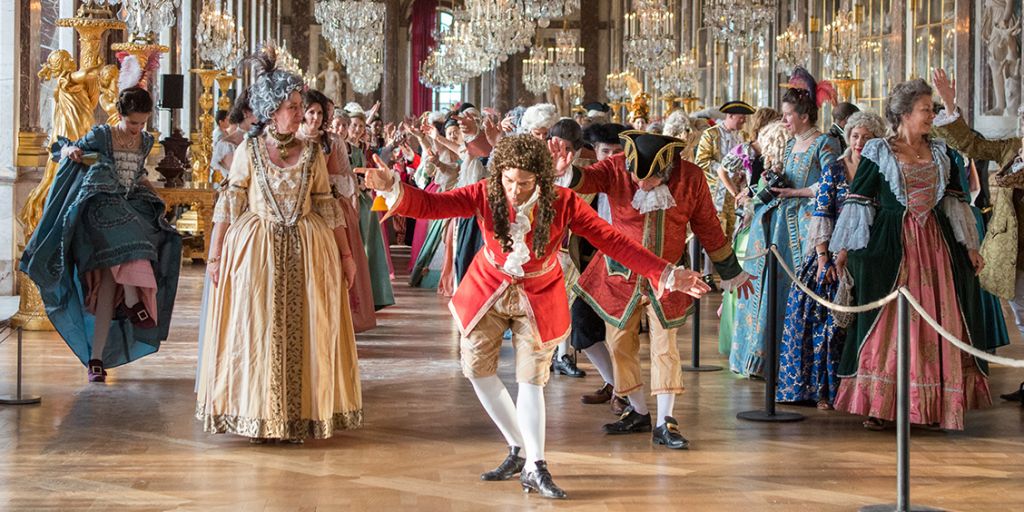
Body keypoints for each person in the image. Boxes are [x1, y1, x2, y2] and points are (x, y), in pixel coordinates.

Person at [364, 134, 713, 499]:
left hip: (539, 292)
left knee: (532, 379)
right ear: (500, 175)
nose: (515, 190)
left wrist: (669, 274)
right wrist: (394, 187)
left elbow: (614, 241)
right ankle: (518, 448)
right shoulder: (485, 192)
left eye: (525, 182)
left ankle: (536, 464)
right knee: (477, 370)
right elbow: (433, 205)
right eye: (509, 180)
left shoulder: (562, 202)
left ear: (541, 180)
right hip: (488, 288)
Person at [195, 48, 361, 443]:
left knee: (308, 331)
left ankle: (300, 416)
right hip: (256, 253)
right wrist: (215, 255)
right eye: (292, 106)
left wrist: (347, 255)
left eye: (300, 106)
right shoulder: (247, 151)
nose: (300, 113)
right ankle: (258, 415)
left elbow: (326, 205)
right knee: (256, 331)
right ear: (272, 111)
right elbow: (230, 202)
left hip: (309, 250)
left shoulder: (312, 153)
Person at [553, 131, 754, 449]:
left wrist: (732, 272)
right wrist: (566, 171)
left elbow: (708, 225)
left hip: (671, 277)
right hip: (618, 275)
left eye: (648, 181)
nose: (639, 185)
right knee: (618, 344)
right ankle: (638, 411)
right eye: (636, 177)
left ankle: (665, 422)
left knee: (665, 347)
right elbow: (586, 180)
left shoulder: (691, 177)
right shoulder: (617, 167)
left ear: (667, 171)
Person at [830, 78, 992, 431]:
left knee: (940, 321)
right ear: (903, 114)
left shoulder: (940, 152)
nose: (930, 116)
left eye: (933, 109)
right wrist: (843, 249)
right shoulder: (879, 152)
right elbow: (859, 201)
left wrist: (971, 246)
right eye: (925, 110)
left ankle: (934, 404)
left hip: (935, 248)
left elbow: (954, 200)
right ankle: (881, 404)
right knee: (888, 323)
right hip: (893, 247)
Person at [21, 85, 182, 382]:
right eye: (132, 122)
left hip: (128, 205)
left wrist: (156, 196)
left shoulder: (145, 141)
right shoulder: (101, 135)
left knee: (112, 280)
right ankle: (134, 303)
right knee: (134, 245)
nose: (137, 129)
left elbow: (137, 176)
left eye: (143, 123)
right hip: (100, 208)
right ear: (119, 115)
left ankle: (95, 360)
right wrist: (72, 152)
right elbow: (64, 149)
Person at [730, 70, 841, 378]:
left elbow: (831, 185)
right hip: (780, 225)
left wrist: (795, 191)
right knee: (773, 291)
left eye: (789, 115)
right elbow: (787, 177)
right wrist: (771, 179)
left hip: (808, 228)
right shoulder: (791, 145)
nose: (785, 121)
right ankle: (767, 361)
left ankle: (797, 367)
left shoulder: (824, 144)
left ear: (804, 116)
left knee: (800, 295)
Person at [776, 112, 887, 409]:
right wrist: (824, 258)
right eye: (855, 136)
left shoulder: (880, 170)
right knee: (818, 314)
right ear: (848, 137)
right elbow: (822, 213)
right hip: (829, 251)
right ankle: (820, 390)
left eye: (866, 137)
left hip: (867, 253)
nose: (860, 142)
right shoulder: (835, 171)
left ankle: (855, 390)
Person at [932, 68, 1022, 402]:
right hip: (1015, 247)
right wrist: (950, 103)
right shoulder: (1013, 147)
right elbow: (971, 144)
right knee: (1023, 315)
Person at [299, 89, 375, 333]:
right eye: (311, 112)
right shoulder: (292, 138)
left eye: (320, 113)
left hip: (327, 205)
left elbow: (343, 179)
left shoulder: (331, 142)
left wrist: (346, 199)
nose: (315, 117)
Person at [573, 122, 631, 413]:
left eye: (618, 152)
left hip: (628, 266)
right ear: (595, 152)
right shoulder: (587, 184)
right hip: (592, 265)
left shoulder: (635, 182)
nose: (611, 158)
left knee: (621, 335)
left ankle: (625, 394)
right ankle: (614, 384)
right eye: (605, 151)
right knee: (581, 324)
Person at [717, 111, 784, 356]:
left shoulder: (776, 149)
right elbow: (722, 169)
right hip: (752, 213)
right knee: (747, 266)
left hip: (761, 209)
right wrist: (737, 191)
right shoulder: (747, 150)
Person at [695, 101, 755, 282]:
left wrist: (743, 174)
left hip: (736, 190)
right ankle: (707, 273)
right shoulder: (711, 134)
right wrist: (723, 169)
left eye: (745, 119)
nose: (743, 122)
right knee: (715, 231)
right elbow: (702, 161)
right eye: (740, 118)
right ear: (730, 117)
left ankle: (728, 274)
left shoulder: (743, 136)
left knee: (732, 230)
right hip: (716, 192)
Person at [211, 91, 255, 186]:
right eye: (258, 112)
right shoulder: (227, 145)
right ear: (245, 113)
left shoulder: (264, 140)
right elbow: (240, 177)